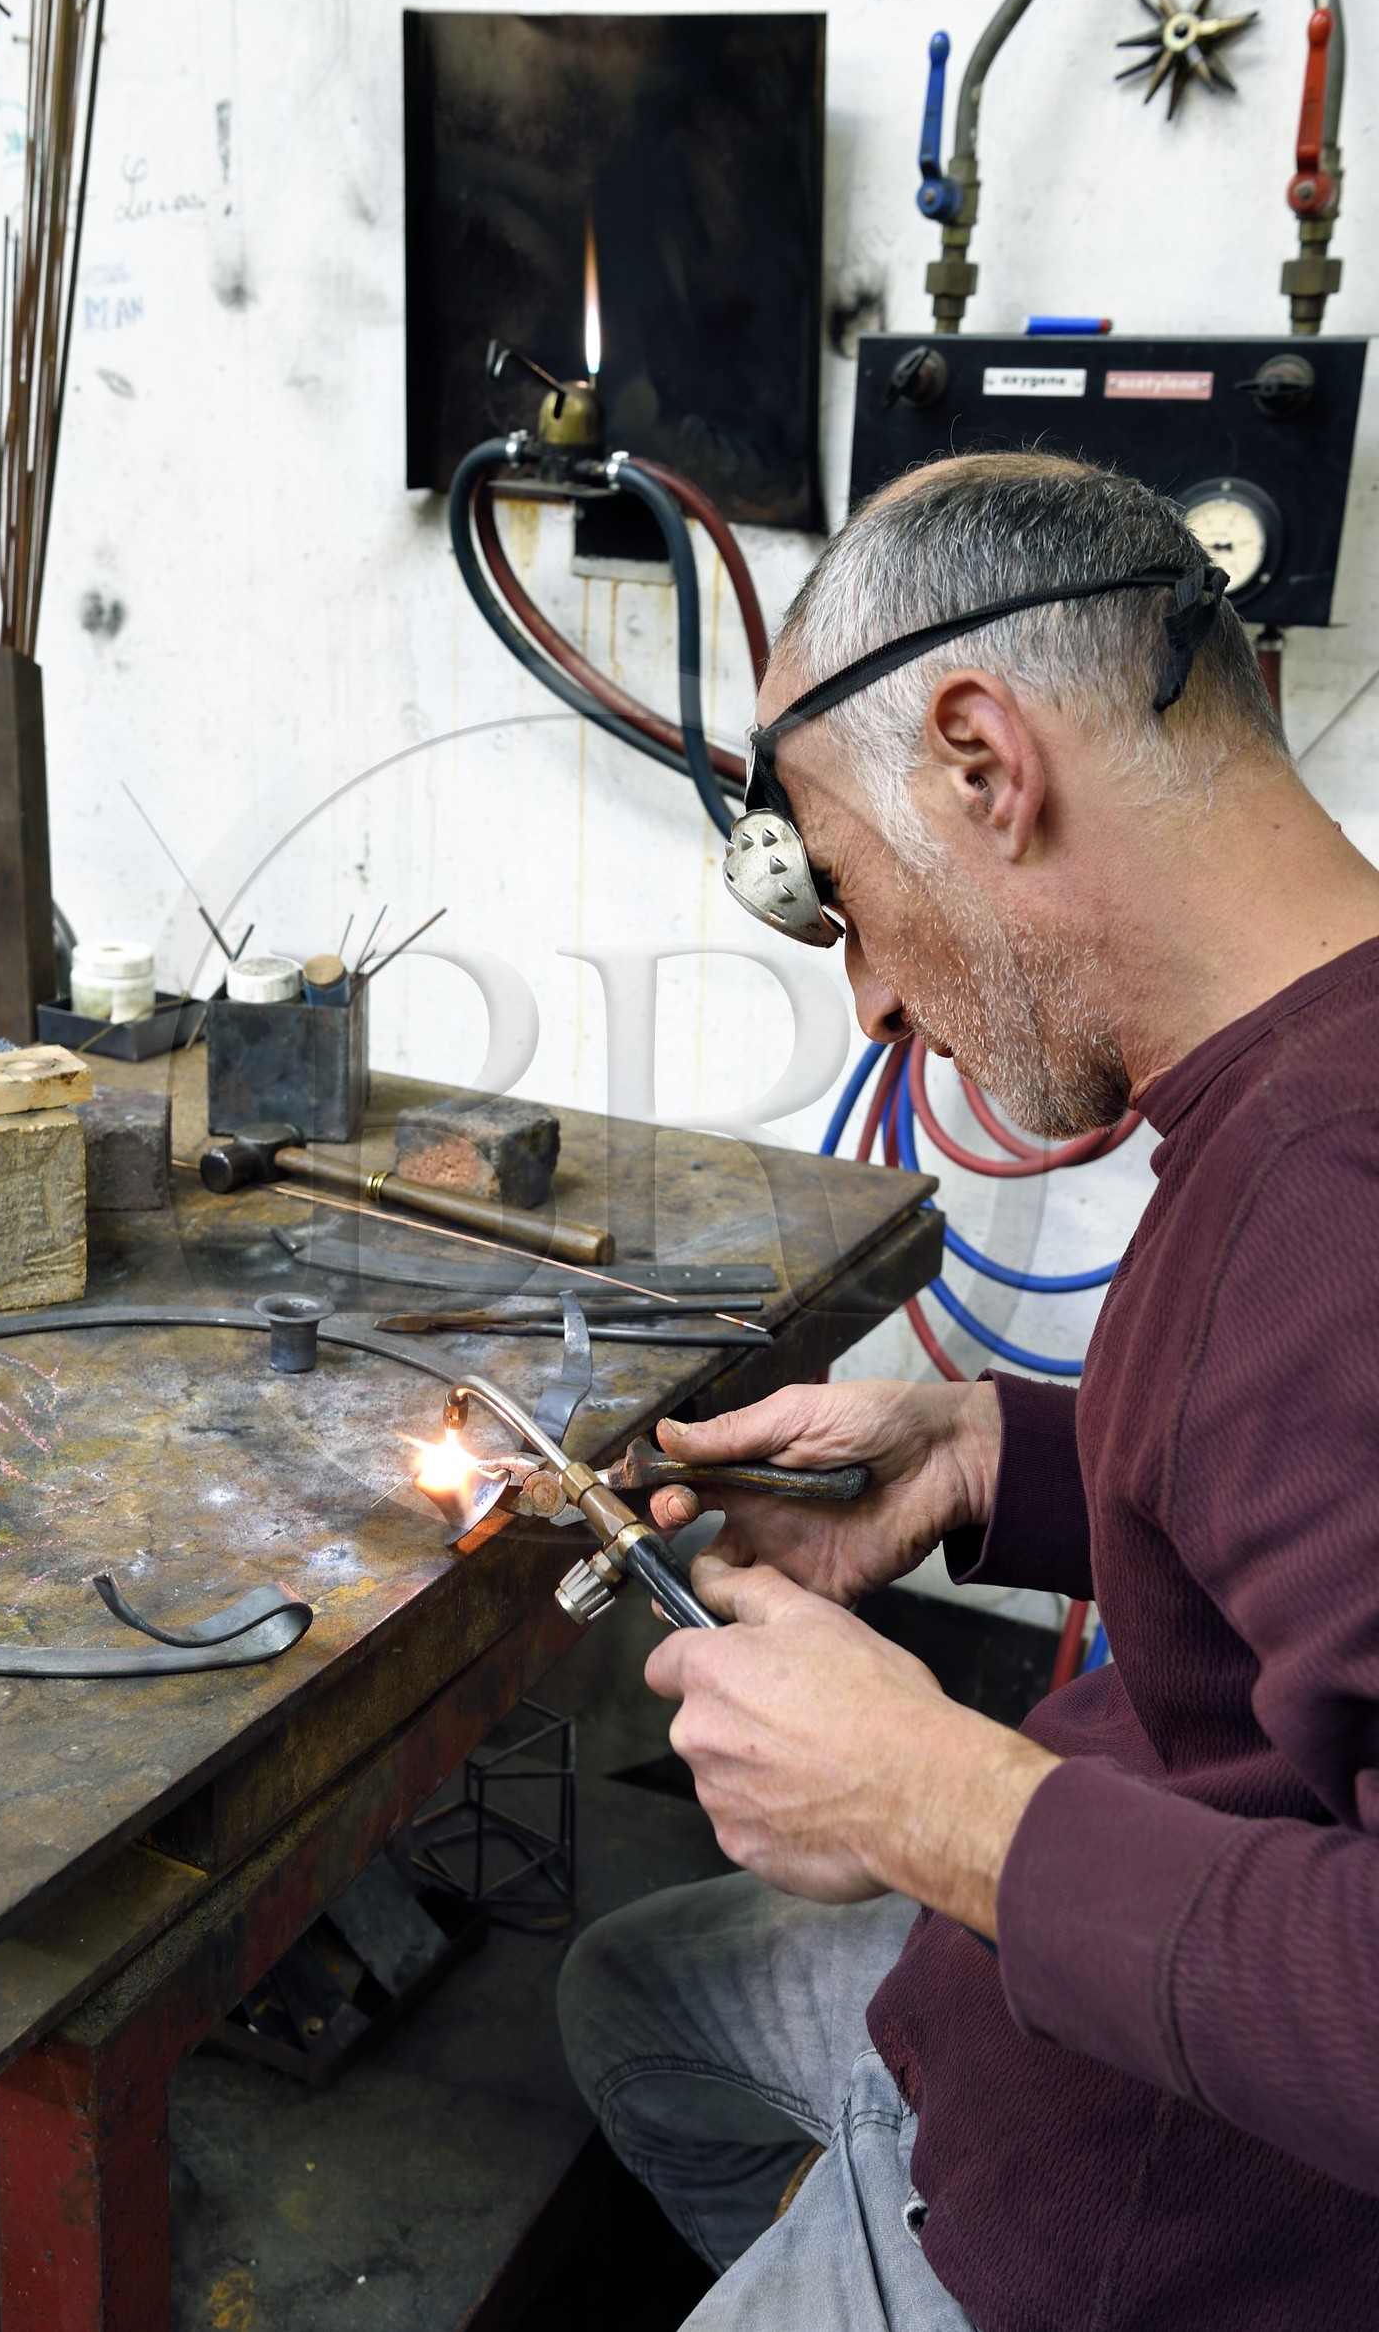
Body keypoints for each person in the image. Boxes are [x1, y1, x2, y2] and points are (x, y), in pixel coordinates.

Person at [557, 451, 1379, 2331]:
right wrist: (984, 1450)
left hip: (1155, 2223)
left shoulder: (1330, 1200)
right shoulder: (1308, 1089)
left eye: (841, 890)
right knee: (631, 1997)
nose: (867, 1000)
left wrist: (932, 1799)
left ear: (982, 761)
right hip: (1025, 2012)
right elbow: (1300, 1476)